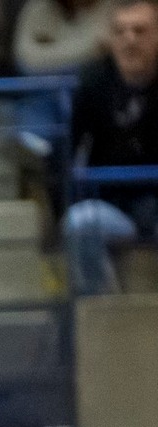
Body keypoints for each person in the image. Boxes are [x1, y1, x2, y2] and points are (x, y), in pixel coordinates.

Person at [64, 0, 158, 292]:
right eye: (120, 32)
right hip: (112, 204)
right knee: (80, 222)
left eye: (140, 31)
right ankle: (103, 316)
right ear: (110, 39)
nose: (129, 40)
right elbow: (73, 148)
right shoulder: (93, 83)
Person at [14, 0, 108, 146]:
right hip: (43, 100)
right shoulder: (38, 8)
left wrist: (50, 50)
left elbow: (103, 46)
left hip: (98, 100)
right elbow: (27, 60)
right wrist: (86, 52)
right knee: (31, 135)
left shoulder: (113, 7)